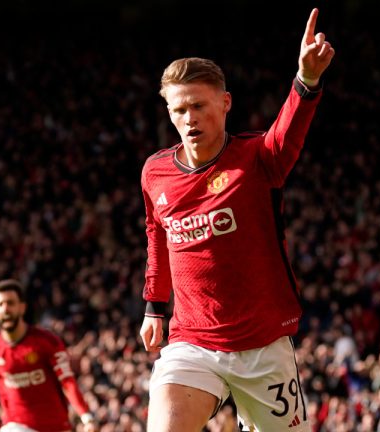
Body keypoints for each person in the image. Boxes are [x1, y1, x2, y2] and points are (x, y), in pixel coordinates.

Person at [138, 8, 334, 432]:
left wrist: (307, 81)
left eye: (198, 106)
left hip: (262, 346)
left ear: (225, 104)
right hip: (192, 340)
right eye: (179, 109)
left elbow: (288, 131)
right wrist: (155, 307)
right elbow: (158, 237)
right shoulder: (155, 172)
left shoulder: (257, 159)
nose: (189, 118)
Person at [0, 279, 96, 432]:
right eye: (0, 304)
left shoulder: (46, 341)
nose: (5, 309)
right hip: (17, 425)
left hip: (56, 426)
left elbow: (67, 381)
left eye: (10, 303)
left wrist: (86, 417)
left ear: (22, 307)